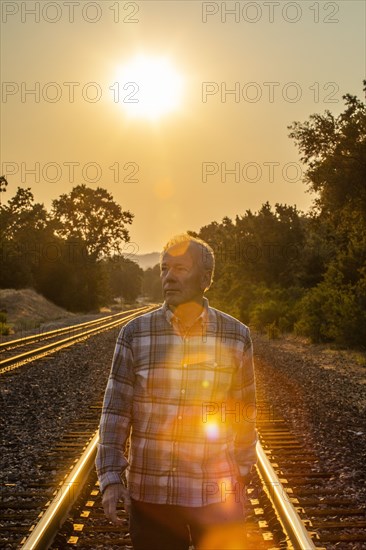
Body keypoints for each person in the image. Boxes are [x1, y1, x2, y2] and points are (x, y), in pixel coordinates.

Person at [96, 234, 257, 550]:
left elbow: (244, 412)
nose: (168, 277)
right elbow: (115, 413)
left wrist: (241, 471)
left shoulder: (236, 335)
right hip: (152, 496)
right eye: (164, 268)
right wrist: (111, 479)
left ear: (205, 278)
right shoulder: (134, 334)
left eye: (180, 268)